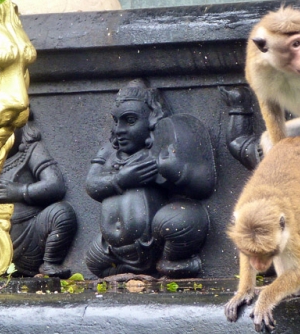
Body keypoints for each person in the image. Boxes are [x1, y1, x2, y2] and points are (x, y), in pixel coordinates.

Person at [84, 80, 215, 278]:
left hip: (155, 242)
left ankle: (171, 261)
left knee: (182, 218)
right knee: (92, 262)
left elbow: (203, 186)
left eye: (129, 121)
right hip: (113, 249)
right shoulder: (109, 151)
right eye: (116, 121)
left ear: (153, 119)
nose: (119, 129)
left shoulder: (159, 150)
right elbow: (91, 185)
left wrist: (176, 172)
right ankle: (133, 273)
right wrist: (120, 180)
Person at [0, 116, 77, 278]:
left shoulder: (32, 150)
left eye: (8, 125)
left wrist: (20, 191)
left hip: (31, 235)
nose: (1, 133)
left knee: (62, 213)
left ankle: (50, 262)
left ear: (23, 125)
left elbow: (55, 184)